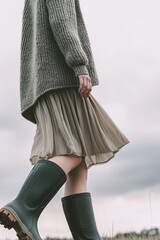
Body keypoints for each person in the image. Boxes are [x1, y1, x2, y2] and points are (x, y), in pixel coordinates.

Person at [0, 0, 130, 239]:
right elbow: (62, 20)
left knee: (79, 166)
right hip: (61, 79)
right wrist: (79, 64)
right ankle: (24, 206)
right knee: (73, 151)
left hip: (44, 82)